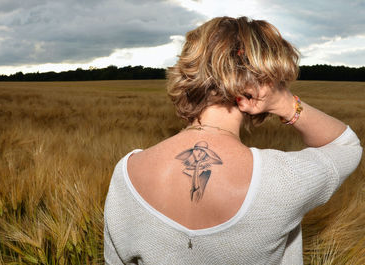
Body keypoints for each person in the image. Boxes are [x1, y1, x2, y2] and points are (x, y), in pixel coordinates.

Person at [103, 16, 362, 265]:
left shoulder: (125, 175)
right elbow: (346, 146)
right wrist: (284, 102)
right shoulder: (282, 179)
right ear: (266, 82)